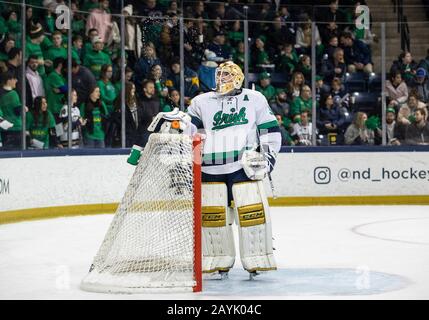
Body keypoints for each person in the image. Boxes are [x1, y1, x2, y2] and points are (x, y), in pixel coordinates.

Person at [183, 61, 281, 278]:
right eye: (219, 74)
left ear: (238, 76)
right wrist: (178, 124)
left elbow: (270, 129)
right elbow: (192, 131)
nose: (221, 78)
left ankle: (257, 258)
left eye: (227, 74)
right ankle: (217, 260)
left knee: (252, 215)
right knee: (213, 218)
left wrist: (268, 157)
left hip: (242, 167)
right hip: (210, 169)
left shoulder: (255, 98)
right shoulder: (201, 101)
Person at [0, 71, 23, 150]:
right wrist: (23, 108)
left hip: (3, 129)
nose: (16, 80)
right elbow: (17, 111)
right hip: (15, 128)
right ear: (9, 80)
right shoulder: (13, 94)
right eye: (14, 79)